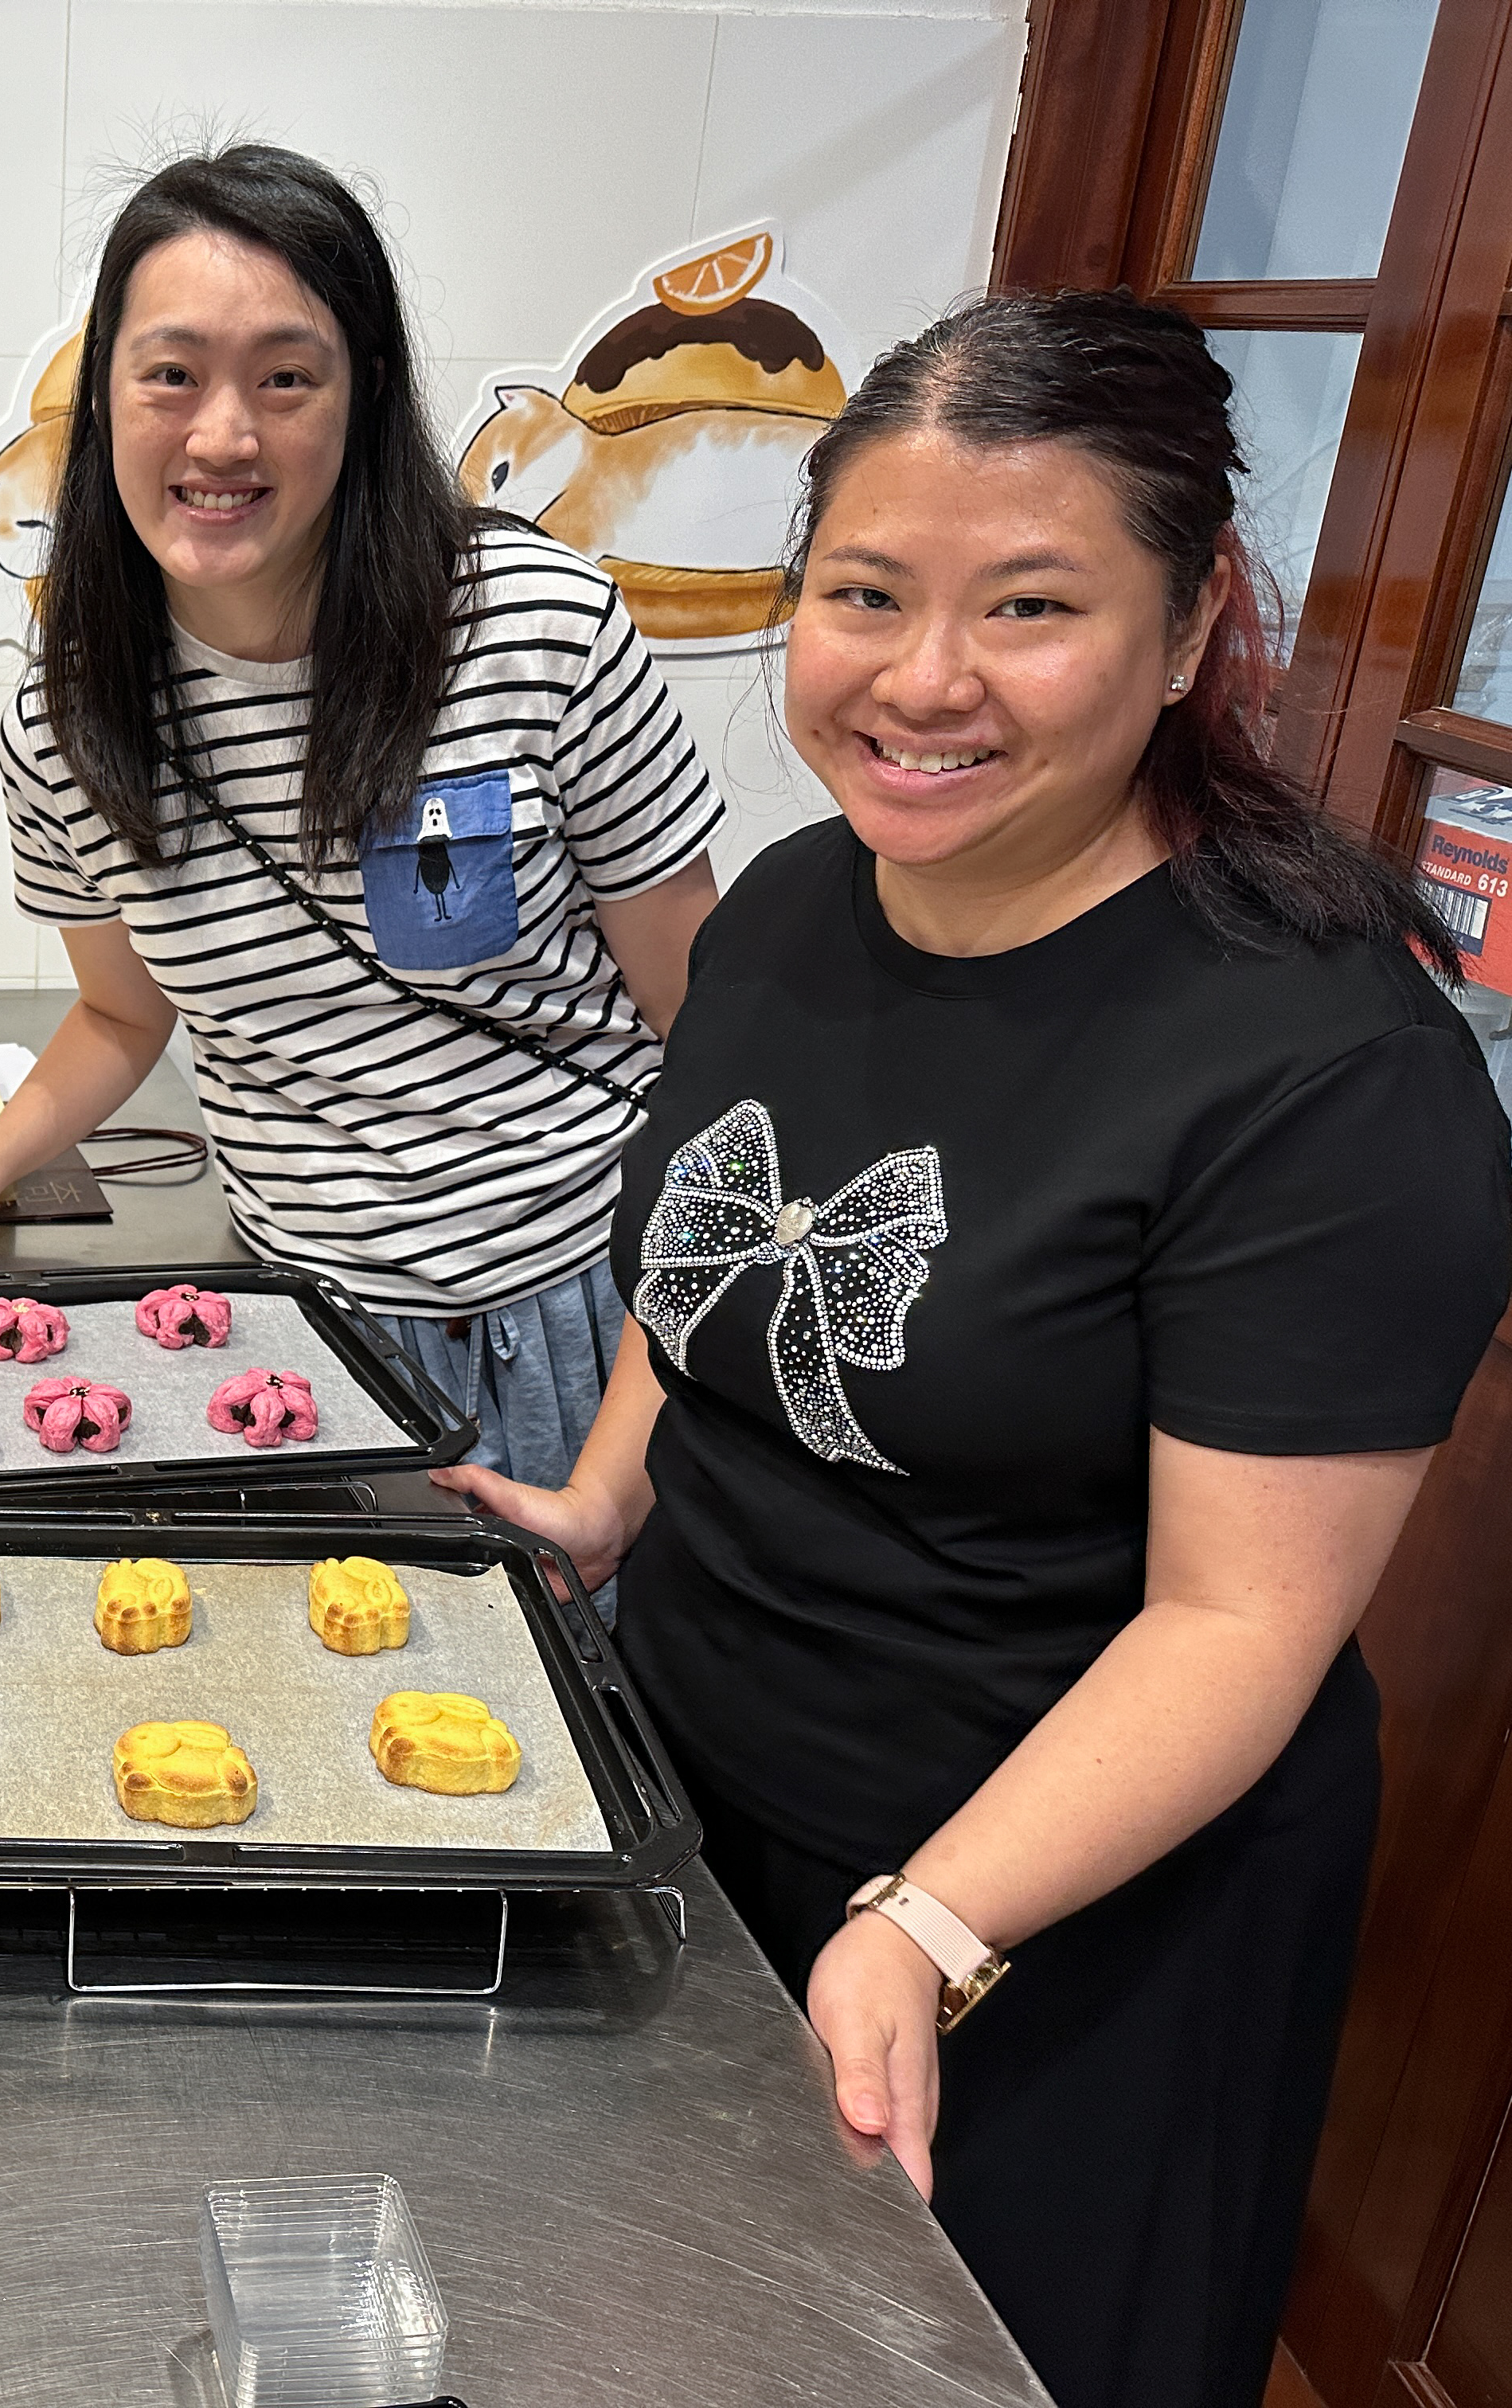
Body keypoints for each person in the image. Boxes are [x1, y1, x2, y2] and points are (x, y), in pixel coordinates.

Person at [438, 291, 1511, 2406]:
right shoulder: (790, 913)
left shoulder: (1323, 1071)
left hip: (1070, 1929)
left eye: (1031, 605)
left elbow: (1235, 1631)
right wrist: (595, 1502)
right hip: (709, 1815)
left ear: (1194, 625)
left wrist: (930, 1929)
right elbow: (713, 1262)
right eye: (865, 595)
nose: (922, 682)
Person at [0, 146, 724, 1490]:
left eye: (285, 376)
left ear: (362, 394)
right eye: (170, 374)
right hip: (293, 1331)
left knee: (584, 1687)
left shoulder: (532, 629)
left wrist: (631, 1426)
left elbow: (711, 1036)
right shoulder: (71, 721)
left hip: (578, 1311)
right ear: (101, 398)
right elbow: (118, 1013)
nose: (221, 434)